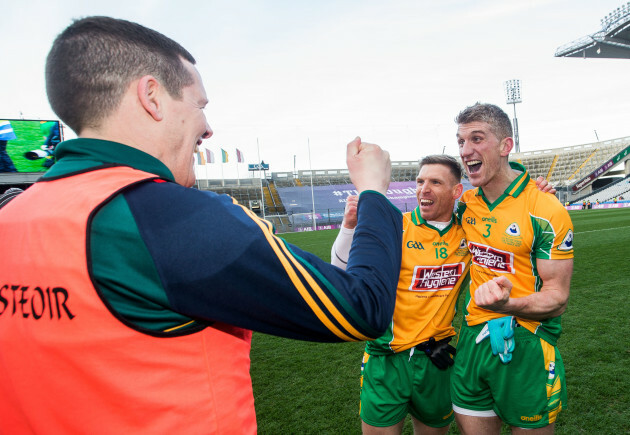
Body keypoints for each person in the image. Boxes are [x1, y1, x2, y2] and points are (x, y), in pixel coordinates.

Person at [0, 17, 404, 433]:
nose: (208, 128)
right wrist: (373, 191)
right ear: (152, 97)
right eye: (200, 105)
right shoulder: (171, 216)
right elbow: (363, 309)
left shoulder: (12, 216)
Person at [453, 103, 574, 434]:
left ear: (505, 146)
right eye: (461, 141)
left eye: (477, 139)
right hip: (471, 341)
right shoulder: (465, 204)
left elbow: (557, 297)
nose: (466, 151)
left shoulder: (544, 209)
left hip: (527, 341)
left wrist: (508, 305)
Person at [332, 155, 470, 434]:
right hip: (386, 359)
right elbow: (342, 273)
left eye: (435, 182)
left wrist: (536, 193)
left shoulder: (471, 230)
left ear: (456, 192)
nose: (424, 189)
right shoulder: (396, 226)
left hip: (436, 359)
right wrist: (349, 226)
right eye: (420, 181)